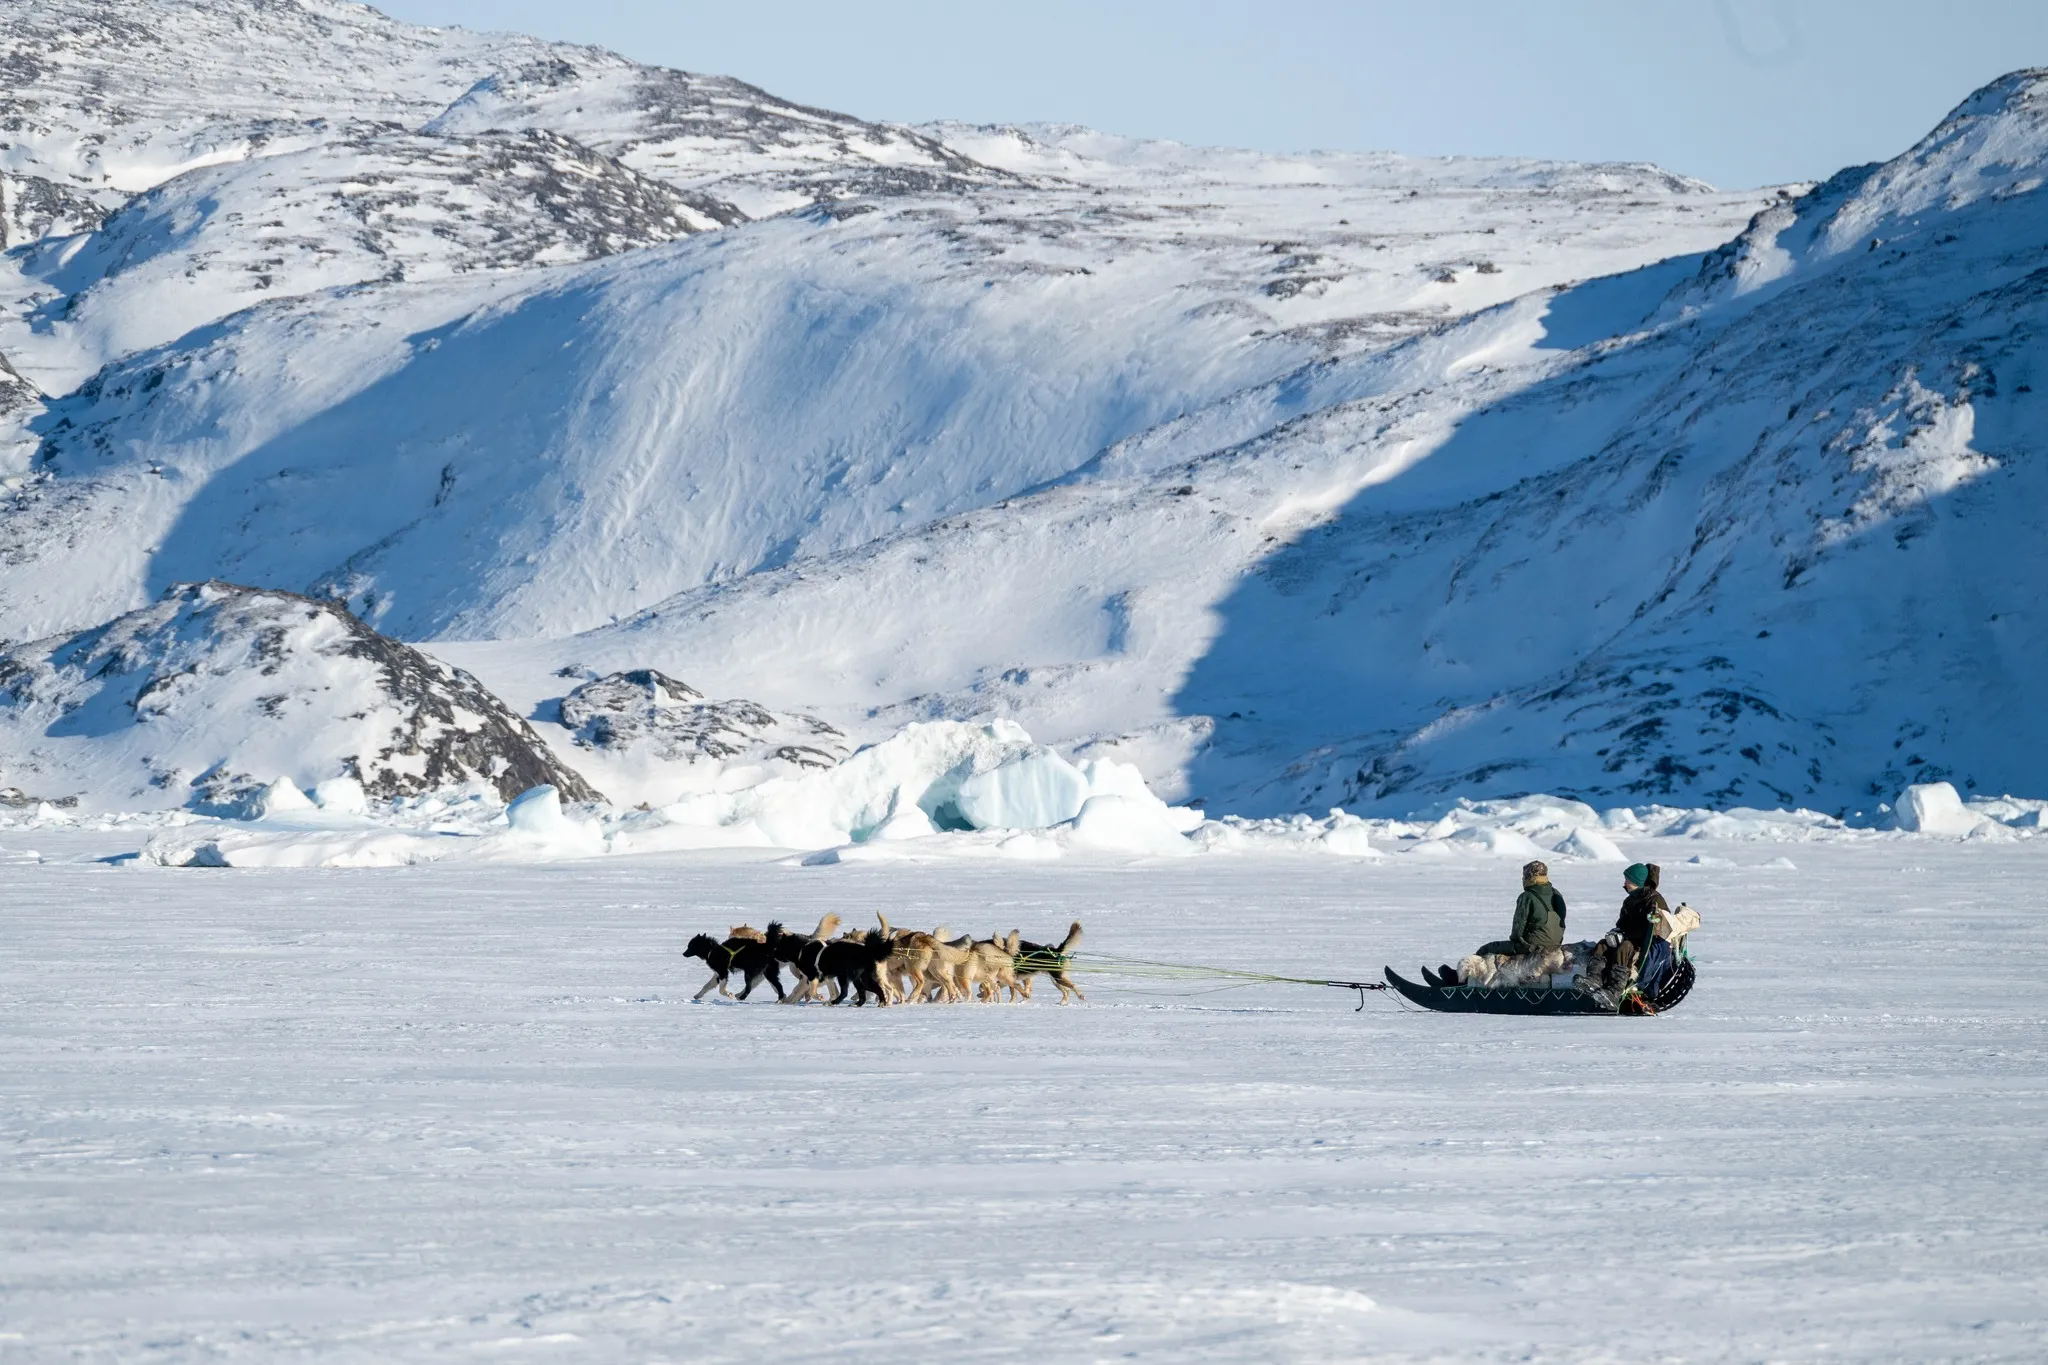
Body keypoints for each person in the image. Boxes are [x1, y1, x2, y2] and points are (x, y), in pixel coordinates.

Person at [1427, 860, 1566, 986]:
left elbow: (1518, 927)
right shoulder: (1555, 893)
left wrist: (1516, 943)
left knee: (1487, 949)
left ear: (1529, 877)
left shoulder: (1527, 896)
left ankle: (1461, 980)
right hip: (1555, 944)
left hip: (1532, 946)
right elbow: (1562, 920)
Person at [1593, 862, 1667, 990]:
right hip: (1629, 938)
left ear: (1636, 882)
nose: (1625, 883)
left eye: (1628, 880)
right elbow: (1622, 923)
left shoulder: (1655, 900)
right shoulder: (1629, 901)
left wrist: (1628, 935)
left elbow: (1660, 927)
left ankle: (1615, 988)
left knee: (1625, 947)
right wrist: (1616, 933)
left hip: (1645, 944)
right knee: (1602, 944)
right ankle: (1594, 979)